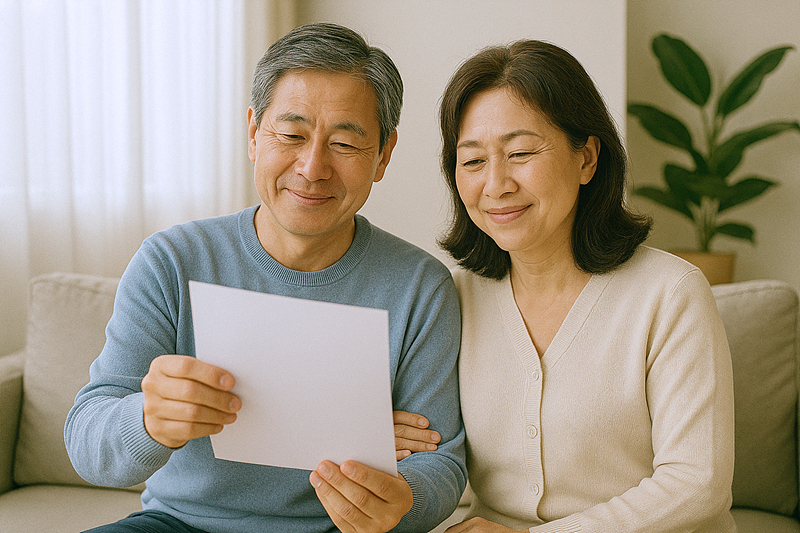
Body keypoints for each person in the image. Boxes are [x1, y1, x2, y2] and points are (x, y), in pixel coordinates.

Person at [65, 22, 466, 533]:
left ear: (383, 154)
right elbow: (86, 443)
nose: (312, 166)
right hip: (178, 524)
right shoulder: (171, 260)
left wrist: (401, 500)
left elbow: (441, 461)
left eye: (344, 143)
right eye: (292, 135)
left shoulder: (420, 287)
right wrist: (148, 418)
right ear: (254, 133)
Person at [395, 40, 736, 532]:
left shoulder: (671, 292)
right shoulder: (452, 298)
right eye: (472, 161)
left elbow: (697, 483)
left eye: (521, 153)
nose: (496, 184)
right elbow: (427, 451)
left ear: (587, 159)